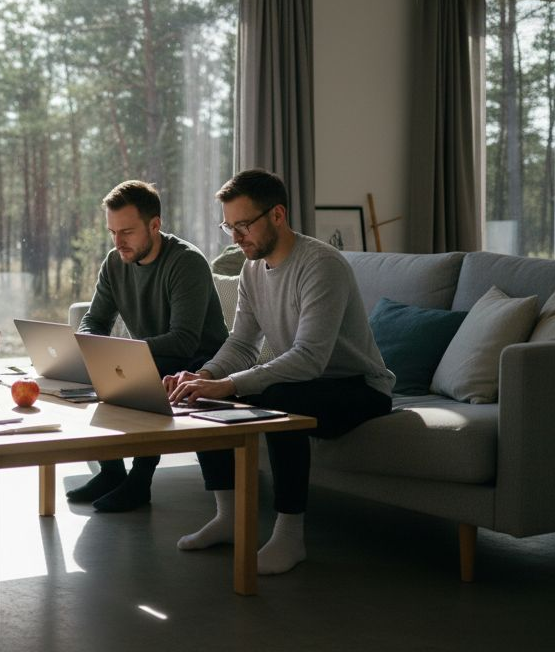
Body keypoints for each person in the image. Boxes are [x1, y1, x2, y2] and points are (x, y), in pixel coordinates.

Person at [165, 169, 395, 575]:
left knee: (277, 401)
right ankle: (229, 518)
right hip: (306, 382)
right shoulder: (252, 270)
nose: (235, 237)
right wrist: (203, 377)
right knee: (203, 396)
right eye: (228, 226)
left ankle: (290, 537)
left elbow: (310, 358)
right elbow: (241, 343)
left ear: (277, 215)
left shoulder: (322, 265)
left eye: (243, 225)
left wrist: (230, 383)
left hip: (359, 388)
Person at [69, 180, 228, 512]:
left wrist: (125, 351)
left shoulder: (186, 263)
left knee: (140, 371)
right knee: (99, 369)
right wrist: (91, 345)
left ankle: (140, 482)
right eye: (112, 232)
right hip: (151, 353)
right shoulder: (115, 263)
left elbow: (184, 340)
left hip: (199, 360)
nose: (118, 241)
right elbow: (94, 319)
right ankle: (112, 472)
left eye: (126, 232)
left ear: (155, 225)